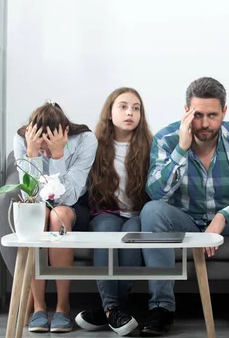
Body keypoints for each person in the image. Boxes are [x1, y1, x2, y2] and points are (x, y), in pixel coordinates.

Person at [139, 77, 229, 337]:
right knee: (151, 211)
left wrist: (223, 216)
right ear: (186, 112)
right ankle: (161, 307)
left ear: (224, 112)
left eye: (213, 115)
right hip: (185, 220)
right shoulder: (167, 139)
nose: (205, 124)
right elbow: (156, 193)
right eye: (198, 115)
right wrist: (181, 149)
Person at [13, 100, 97, 333]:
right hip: (38, 206)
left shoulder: (85, 140)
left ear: (64, 134)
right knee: (37, 217)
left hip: (72, 207)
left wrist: (59, 155)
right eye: (42, 149)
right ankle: (39, 306)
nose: (45, 154)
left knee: (57, 216)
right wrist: (31, 154)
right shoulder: (22, 140)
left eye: (48, 148)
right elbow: (30, 194)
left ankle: (62, 305)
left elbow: (67, 197)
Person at [75, 88, 153, 336]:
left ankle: (108, 311)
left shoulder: (151, 145)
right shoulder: (94, 145)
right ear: (109, 112)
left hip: (138, 213)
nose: (130, 112)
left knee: (131, 238)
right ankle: (113, 310)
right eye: (123, 106)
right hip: (106, 211)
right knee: (107, 233)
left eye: (136, 108)